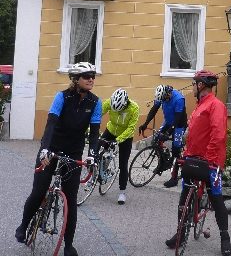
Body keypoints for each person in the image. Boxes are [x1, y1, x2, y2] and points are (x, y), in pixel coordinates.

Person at [15, 62, 102, 256]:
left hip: (73, 153)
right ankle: (23, 225)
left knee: (70, 200)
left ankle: (68, 245)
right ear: (76, 79)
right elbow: (51, 124)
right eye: (86, 76)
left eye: (93, 76)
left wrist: (92, 155)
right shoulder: (62, 97)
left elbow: (95, 133)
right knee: (38, 192)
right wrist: (45, 149)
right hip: (51, 149)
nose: (91, 79)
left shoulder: (95, 102)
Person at [165, 70, 231, 256]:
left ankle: (225, 238)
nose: (193, 87)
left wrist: (209, 159)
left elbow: (218, 135)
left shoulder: (216, 105)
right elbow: (193, 134)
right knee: (184, 197)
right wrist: (185, 153)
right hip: (192, 158)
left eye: (194, 83)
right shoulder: (199, 106)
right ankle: (180, 233)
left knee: (216, 198)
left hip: (211, 162)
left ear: (201, 85)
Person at [138, 84, 187, 187]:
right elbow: (154, 110)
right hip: (168, 121)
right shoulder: (161, 96)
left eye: (164, 99)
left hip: (179, 124)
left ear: (168, 94)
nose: (163, 101)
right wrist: (145, 124)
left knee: (175, 149)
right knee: (156, 139)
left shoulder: (179, 99)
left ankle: (174, 178)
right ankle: (163, 163)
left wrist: (167, 133)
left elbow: (177, 119)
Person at [101, 88, 139, 204]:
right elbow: (97, 114)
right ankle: (101, 166)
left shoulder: (134, 108)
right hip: (111, 130)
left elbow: (131, 128)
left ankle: (122, 192)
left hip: (126, 136)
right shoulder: (109, 102)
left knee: (123, 164)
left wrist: (118, 140)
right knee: (96, 148)